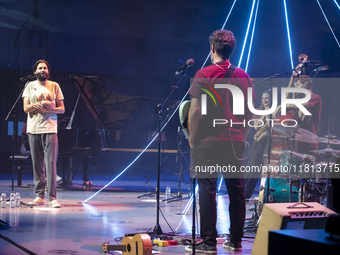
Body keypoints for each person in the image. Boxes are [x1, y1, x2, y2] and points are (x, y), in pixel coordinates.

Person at [186, 29, 255, 253]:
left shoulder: (203, 73)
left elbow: (195, 111)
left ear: (212, 48)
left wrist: (192, 140)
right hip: (234, 141)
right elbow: (250, 112)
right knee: (237, 193)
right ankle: (235, 241)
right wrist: (241, 135)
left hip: (207, 140)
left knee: (208, 191)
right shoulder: (244, 76)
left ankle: (208, 243)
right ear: (231, 49)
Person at [22, 59, 65, 208]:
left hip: (50, 129)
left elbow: (62, 109)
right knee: (37, 165)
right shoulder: (29, 86)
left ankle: (52, 198)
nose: (43, 70)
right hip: (33, 129)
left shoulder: (55, 86)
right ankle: (39, 196)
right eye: (40, 68)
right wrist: (37, 105)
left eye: (45, 68)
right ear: (35, 72)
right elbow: (26, 108)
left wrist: (48, 109)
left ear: (48, 71)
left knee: (51, 164)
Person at [272, 74, 322, 154]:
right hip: (298, 141)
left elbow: (300, 105)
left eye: (297, 85)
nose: (295, 88)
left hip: (310, 141)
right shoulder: (300, 99)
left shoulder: (315, 97)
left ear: (305, 84)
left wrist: (281, 106)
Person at [244, 90, 271, 199]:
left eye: (267, 98)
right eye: (263, 98)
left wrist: (269, 113)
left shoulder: (273, 112)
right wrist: (264, 114)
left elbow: (270, 126)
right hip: (259, 143)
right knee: (252, 169)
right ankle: (245, 195)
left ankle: (263, 196)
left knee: (265, 172)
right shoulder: (258, 111)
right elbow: (256, 126)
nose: (265, 100)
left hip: (269, 143)